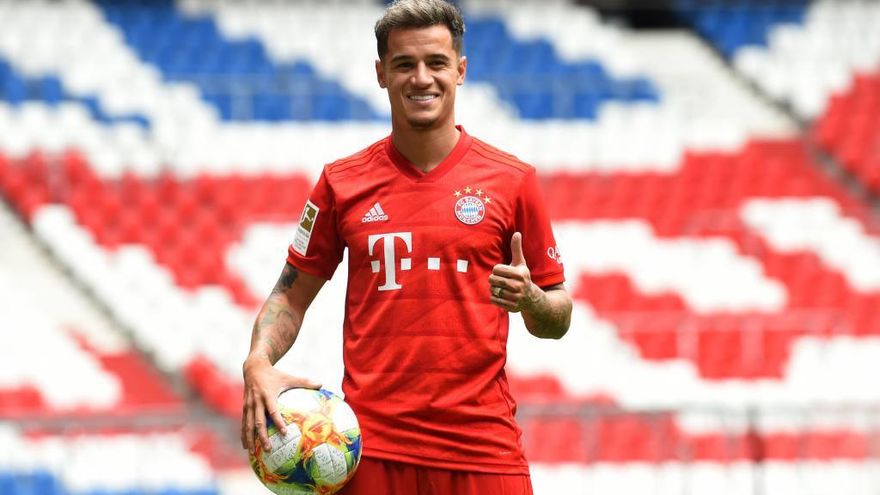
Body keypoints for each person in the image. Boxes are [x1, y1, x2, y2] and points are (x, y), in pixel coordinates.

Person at [240, 0, 572, 493]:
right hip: (372, 452)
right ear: (381, 73)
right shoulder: (341, 182)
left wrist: (532, 300)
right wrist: (258, 361)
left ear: (460, 70)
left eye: (436, 62)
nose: (421, 78)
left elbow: (557, 319)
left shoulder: (513, 180)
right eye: (404, 64)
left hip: (483, 452)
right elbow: (290, 295)